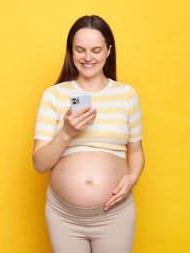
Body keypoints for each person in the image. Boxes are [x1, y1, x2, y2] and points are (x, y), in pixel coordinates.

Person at [32, 15, 145, 253]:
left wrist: (132, 177)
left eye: (96, 50)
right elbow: (40, 164)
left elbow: (135, 150)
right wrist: (66, 133)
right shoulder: (54, 95)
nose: (88, 57)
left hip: (114, 214)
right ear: (71, 51)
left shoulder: (126, 95)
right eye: (80, 50)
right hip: (64, 216)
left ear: (108, 51)